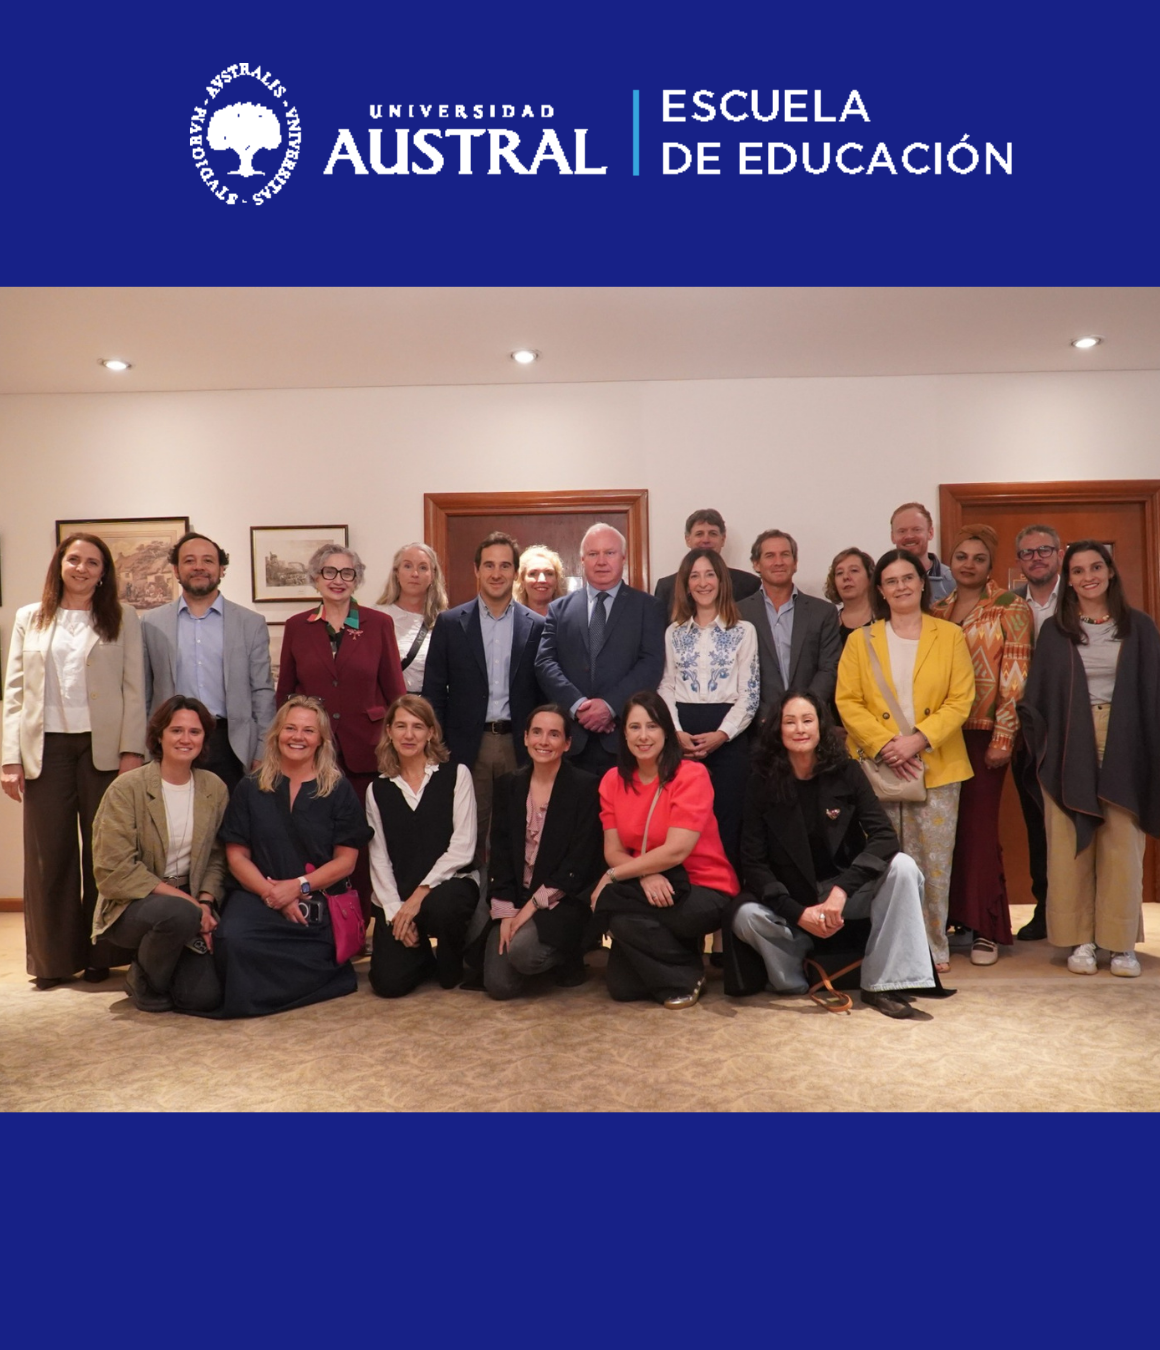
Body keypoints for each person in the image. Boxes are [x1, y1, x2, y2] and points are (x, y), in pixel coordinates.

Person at [727, 691, 936, 1018]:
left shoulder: (847, 771)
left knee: (904, 867)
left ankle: (884, 984)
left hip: (844, 894)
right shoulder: (761, 782)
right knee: (745, 916)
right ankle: (791, 977)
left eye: (807, 720)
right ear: (778, 730)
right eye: (790, 722)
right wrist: (798, 913)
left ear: (821, 727)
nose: (800, 729)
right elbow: (753, 863)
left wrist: (842, 890)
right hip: (791, 899)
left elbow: (884, 837)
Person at [2, 533, 146, 988]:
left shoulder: (122, 617)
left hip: (103, 750)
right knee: (50, 856)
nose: (82, 568)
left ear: (104, 573)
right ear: (60, 564)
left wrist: (132, 751)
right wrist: (10, 758)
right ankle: (53, 961)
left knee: (104, 854)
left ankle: (104, 952)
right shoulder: (30, 617)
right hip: (45, 750)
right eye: (74, 559)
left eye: (92, 563)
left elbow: (135, 689)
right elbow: (14, 693)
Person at [1019, 540, 1160, 979]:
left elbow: (1154, 692)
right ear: (1069, 579)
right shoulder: (1055, 631)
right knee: (1069, 844)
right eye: (1077, 571)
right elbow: (1038, 697)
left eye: (1095, 567)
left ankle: (1120, 943)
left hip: (1124, 739)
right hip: (1069, 741)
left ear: (1110, 571)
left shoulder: (1140, 626)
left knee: (1122, 844)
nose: (1088, 577)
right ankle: (1080, 939)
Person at [835, 548, 974, 972]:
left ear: (922, 582)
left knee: (933, 864)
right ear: (880, 590)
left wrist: (917, 741)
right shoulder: (861, 640)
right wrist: (886, 745)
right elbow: (847, 701)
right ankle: (886, 948)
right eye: (891, 581)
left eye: (908, 578)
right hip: (876, 767)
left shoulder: (949, 635)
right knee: (881, 862)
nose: (901, 587)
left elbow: (961, 699)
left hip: (936, 766)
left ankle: (932, 948)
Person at [214, 695, 372, 1017]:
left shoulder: (338, 789)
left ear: (321, 740)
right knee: (231, 940)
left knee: (316, 952)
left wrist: (298, 887)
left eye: (308, 731)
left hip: (315, 897)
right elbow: (237, 856)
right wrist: (274, 894)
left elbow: (346, 862)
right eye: (290, 728)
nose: (298, 737)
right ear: (276, 734)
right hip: (257, 894)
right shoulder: (250, 787)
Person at [276, 543, 405, 915]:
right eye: (329, 572)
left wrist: (399, 747)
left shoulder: (378, 624)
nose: (338, 580)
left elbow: (395, 692)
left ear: (357, 579)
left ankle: (361, 919)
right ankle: (320, 917)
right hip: (312, 753)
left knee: (362, 840)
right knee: (315, 836)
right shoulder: (297, 626)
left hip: (366, 752)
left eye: (347, 572)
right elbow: (285, 694)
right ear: (315, 578)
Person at [588, 691, 738, 1009]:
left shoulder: (691, 775)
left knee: (612, 900)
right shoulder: (612, 781)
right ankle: (680, 961)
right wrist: (644, 875)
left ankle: (684, 975)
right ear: (623, 734)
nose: (643, 736)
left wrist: (613, 876)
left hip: (701, 886)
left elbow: (676, 851)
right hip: (647, 889)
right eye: (634, 727)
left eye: (652, 726)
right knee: (623, 988)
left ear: (667, 732)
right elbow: (613, 851)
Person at [932, 526, 1033, 963]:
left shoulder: (1010, 606)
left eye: (978, 558)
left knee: (978, 830)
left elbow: (1015, 676)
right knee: (946, 831)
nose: (968, 564)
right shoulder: (937, 609)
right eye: (961, 557)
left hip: (985, 733)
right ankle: (955, 919)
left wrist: (1004, 736)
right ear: (950, 563)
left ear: (990, 565)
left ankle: (986, 929)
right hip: (942, 734)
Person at [91, 696, 229, 1013]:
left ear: (204, 738)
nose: (185, 739)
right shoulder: (127, 788)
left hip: (190, 903)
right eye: (176, 730)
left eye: (194, 732)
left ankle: (157, 963)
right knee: (178, 913)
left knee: (203, 998)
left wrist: (206, 902)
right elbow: (115, 870)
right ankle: (143, 979)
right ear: (159, 736)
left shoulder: (214, 788)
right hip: (133, 904)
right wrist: (191, 905)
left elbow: (217, 858)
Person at [422, 531, 545, 859]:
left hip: (519, 745)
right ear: (476, 570)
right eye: (489, 565)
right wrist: (438, 744)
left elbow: (544, 693)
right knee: (467, 833)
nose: (496, 573)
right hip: (466, 746)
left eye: (505, 566)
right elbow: (433, 691)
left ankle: (511, 892)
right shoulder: (450, 623)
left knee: (519, 830)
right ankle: (470, 892)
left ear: (515, 572)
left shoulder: (537, 625)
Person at [481, 705, 604, 999]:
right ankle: (533, 949)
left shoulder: (585, 787)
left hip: (562, 898)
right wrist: (507, 914)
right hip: (517, 894)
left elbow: (579, 862)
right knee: (499, 986)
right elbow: (500, 853)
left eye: (554, 734)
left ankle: (568, 954)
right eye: (536, 732)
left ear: (567, 743)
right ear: (525, 738)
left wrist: (530, 909)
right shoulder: (508, 785)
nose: (544, 741)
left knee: (523, 954)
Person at [140, 531, 275, 793]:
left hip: (231, 743)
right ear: (176, 570)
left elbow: (262, 692)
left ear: (221, 569)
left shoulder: (250, 623)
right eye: (189, 560)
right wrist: (142, 749)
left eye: (208, 560)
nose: (199, 567)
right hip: (171, 740)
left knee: (229, 816)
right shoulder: (151, 623)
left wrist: (263, 750)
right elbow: (143, 693)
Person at [366, 695, 479, 997]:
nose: (409, 735)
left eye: (417, 726)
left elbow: (463, 846)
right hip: (401, 895)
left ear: (431, 732)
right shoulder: (377, 789)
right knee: (388, 984)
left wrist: (420, 895)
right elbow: (379, 858)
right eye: (400, 726)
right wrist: (396, 912)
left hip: (450, 887)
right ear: (389, 731)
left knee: (444, 908)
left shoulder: (457, 775)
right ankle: (421, 957)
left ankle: (451, 957)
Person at [535, 522, 666, 774]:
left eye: (610, 553)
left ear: (623, 558)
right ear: (582, 560)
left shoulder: (648, 607)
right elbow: (545, 663)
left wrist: (609, 706)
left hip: (624, 738)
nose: (601, 561)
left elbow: (651, 664)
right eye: (593, 554)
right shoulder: (559, 609)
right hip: (570, 739)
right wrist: (578, 706)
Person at [657, 547, 758, 868]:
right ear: (686, 585)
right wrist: (676, 732)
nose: (703, 583)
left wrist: (722, 734)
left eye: (710, 575)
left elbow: (750, 693)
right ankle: (690, 889)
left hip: (729, 735)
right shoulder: (673, 633)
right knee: (685, 817)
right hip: (683, 733)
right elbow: (666, 686)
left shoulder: (744, 631)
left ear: (722, 581)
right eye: (695, 576)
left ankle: (727, 890)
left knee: (729, 816)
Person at [1010, 523, 1063, 940]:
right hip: (1026, 731)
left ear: (1059, 554)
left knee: (1077, 820)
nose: (1036, 558)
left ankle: (1081, 913)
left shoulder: (1080, 598)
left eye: (1044, 550)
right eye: (1027, 553)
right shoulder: (1009, 606)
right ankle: (1045, 908)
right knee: (1036, 822)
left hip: (1073, 726)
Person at [737, 529, 842, 734]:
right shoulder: (738, 613)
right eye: (770, 556)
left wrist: (802, 711)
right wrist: (766, 715)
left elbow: (829, 668)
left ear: (795, 563)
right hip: (759, 728)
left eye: (785, 554)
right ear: (756, 564)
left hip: (812, 726)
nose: (778, 562)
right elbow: (736, 674)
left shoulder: (823, 612)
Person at [653, 508, 760, 620]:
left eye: (712, 534)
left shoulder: (749, 584)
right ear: (688, 539)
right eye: (699, 534)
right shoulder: (666, 587)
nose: (706, 540)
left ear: (723, 539)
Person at [376, 541, 448, 694]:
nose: (415, 574)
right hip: (389, 703)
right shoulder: (378, 617)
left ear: (433, 575)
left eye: (423, 567)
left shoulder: (445, 621)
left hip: (428, 704)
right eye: (408, 566)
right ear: (397, 572)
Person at [890, 502, 954, 603]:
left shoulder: (952, 581)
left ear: (930, 533)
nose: (909, 536)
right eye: (902, 531)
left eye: (916, 529)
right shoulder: (880, 579)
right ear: (893, 537)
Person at [824, 547, 876, 647]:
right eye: (839, 573)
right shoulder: (828, 625)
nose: (846, 577)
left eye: (854, 570)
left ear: (870, 577)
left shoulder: (887, 619)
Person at [514, 544, 568, 618]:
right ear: (522, 581)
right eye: (533, 574)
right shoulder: (510, 619)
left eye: (549, 573)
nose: (542, 580)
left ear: (556, 581)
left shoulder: (570, 619)